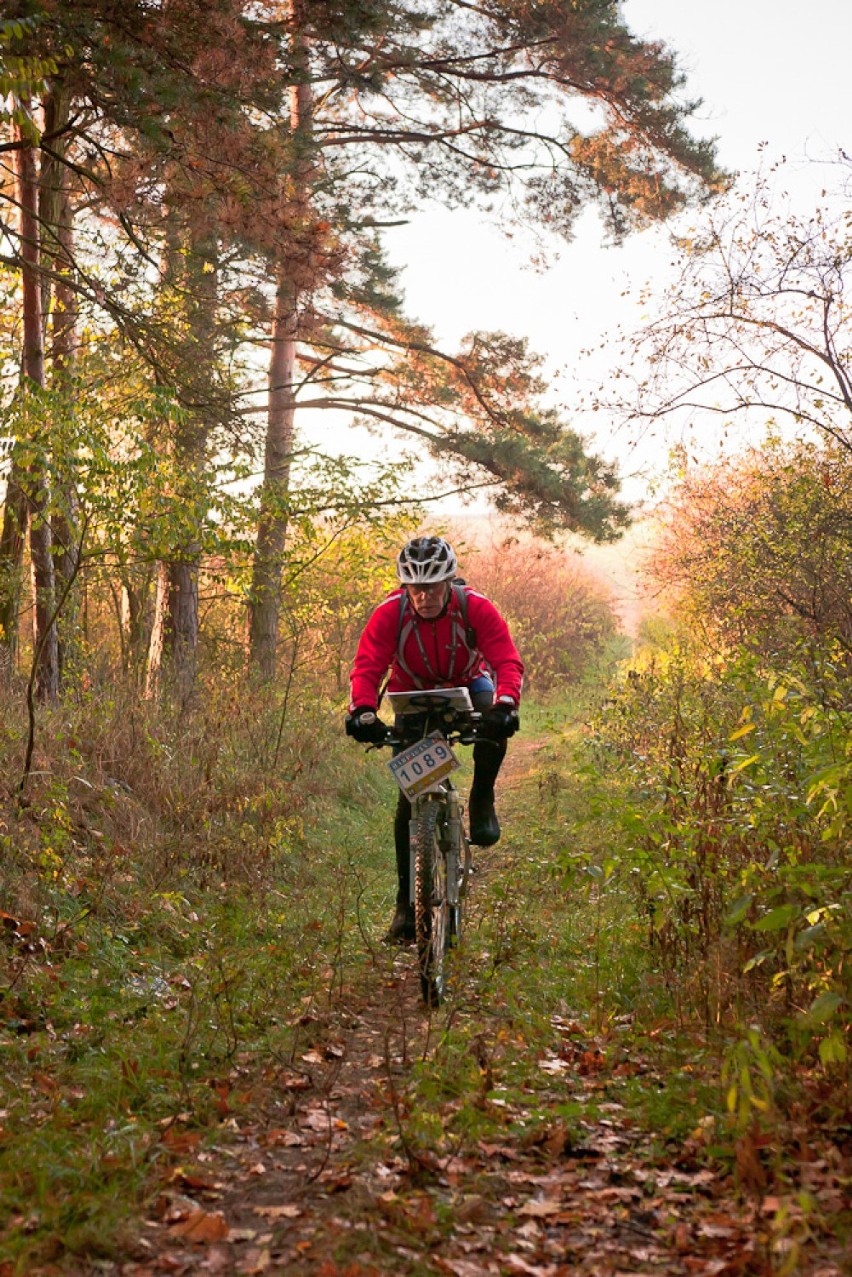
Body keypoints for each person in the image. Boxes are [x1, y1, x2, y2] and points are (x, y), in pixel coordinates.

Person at [345, 535, 524, 943]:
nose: (424, 596)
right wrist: (363, 711)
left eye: (433, 586)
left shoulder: (475, 607)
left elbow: (506, 661)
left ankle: (482, 798)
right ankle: (406, 908)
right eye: (416, 587)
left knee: (493, 729)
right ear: (405, 587)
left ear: (449, 582)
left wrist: (505, 703)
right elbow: (368, 666)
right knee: (410, 796)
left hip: (468, 682)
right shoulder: (390, 614)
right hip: (414, 694)